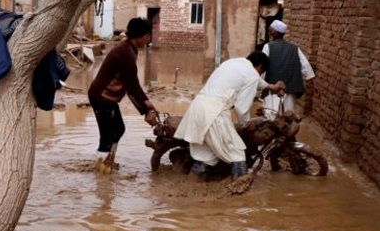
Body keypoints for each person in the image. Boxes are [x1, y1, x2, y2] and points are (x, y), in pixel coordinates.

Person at [174, 52, 284, 180]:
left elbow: (255, 80)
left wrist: (271, 87)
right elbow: (241, 108)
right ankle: (237, 193)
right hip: (215, 114)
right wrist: (248, 126)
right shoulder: (252, 74)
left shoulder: (232, 63)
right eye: (261, 72)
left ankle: (189, 186)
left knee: (207, 157)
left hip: (197, 109)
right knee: (237, 154)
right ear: (259, 67)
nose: (259, 75)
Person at [88, 17, 158, 174]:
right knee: (107, 135)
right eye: (148, 35)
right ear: (140, 36)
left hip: (108, 98)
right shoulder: (125, 53)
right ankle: (101, 170)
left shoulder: (130, 49)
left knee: (118, 129)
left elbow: (133, 83)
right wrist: (145, 110)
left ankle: (109, 162)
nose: (149, 39)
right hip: (101, 97)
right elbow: (132, 86)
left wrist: (147, 103)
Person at [261, 20, 316, 120]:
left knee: (271, 116)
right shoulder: (294, 48)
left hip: (273, 87)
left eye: (270, 30)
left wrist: (261, 83)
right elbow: (305, 66)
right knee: (288, 116)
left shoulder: (268, 46)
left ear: (275, 32)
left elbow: (263, 67)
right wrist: (310, 79)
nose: (269, 32)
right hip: (291, 88)